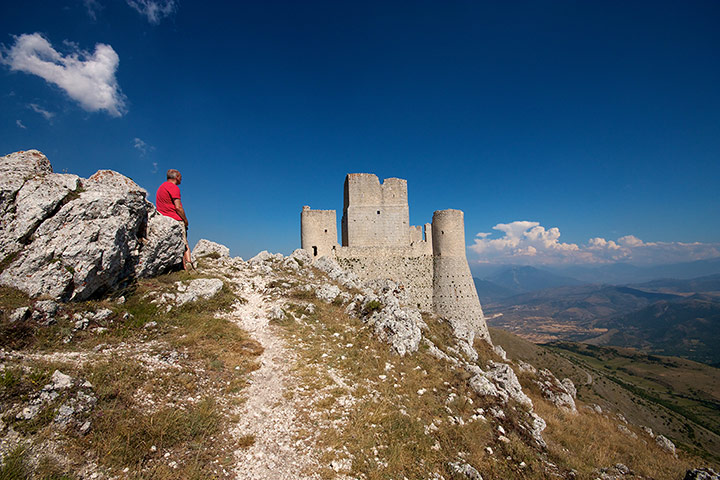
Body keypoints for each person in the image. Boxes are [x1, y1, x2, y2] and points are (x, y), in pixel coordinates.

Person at [156, 169, 192, 270]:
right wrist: (185, 220)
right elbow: (178, 207)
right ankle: (189, 266)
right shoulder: (173, 187)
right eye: (180, 176)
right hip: (175, 219)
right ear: (177, 177)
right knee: (185, 244)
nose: (181, 179)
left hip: (163, 219)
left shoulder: (161, 187)